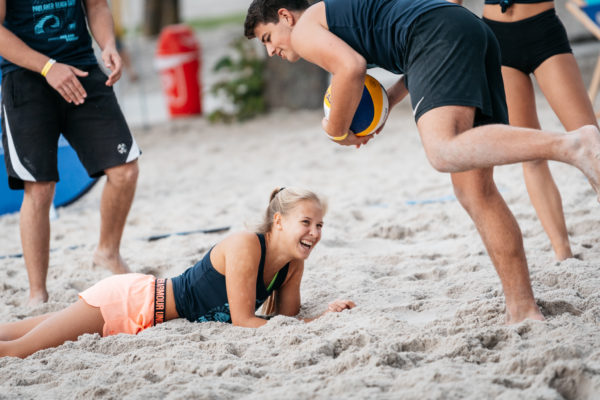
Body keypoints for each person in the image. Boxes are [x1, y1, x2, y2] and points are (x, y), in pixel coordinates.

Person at [243, 0, 600, 324]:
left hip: (437, 35)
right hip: (470, 30)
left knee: (443, 150)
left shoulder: (306, 30)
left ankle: (572, 144)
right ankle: (522, 308)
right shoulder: (341, 15)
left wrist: (336, 130)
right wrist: (389, 105)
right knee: (476, 192)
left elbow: (351, 69)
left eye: (267, 37)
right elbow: (404, 52)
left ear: (286, 17)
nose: (271, 50)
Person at [0, 187, 356, 359]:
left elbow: (285, 318)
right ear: (278, 222)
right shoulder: (247, 245)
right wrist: (312, 322)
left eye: (320, 225)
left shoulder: (292, 264)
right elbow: (246, 321)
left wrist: (322, 316)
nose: (314, 233)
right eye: (306, 223)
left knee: (12, 334)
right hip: (130, 304)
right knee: (16, 351)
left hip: (142, 311)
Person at [0, 0, 140, 304]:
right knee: (39, 189)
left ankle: (107, 251)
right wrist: (48, 67)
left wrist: (108, 45)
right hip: (25, 77)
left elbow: (97, 5)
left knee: (125, 169)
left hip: (82, 67)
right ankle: (37, 293)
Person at [476, 0, 598, 261]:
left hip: (542, 30)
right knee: (531, 157)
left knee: (591, 142)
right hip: (494, 38)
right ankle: (563, 253)